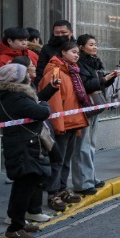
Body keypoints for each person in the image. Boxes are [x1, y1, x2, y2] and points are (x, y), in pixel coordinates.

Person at [0, 63, 59, 238]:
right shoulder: (16, 97)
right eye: (26, 72)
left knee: (24, 185)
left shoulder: (12, 95)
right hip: (24, 147)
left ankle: (19, 220)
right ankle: (15, 228)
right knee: (24, 186)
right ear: (19, 79)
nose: (31, 74)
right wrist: (44, 104)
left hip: (24, 144)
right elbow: (41, 111)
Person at [40, 40, 90, 211]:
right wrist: (58, 125)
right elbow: (53, 102)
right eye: (73, 52)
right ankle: (53, 193)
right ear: (63, 53)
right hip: (62, 124)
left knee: (66, 160)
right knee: (57, 161)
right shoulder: (55, 71)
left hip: (73, 122)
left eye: (78, 52)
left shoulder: (72, 71)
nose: (77, 55)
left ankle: (62, 189)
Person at [71, 34, 119, 195]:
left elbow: (98, 83)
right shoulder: (79, 65)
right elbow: (84, 86)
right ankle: (82, 182)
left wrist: (109, 78)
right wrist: (103, 78)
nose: (95, 47)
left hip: (94, 106)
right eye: (91, 44)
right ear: (81, 47)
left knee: (90, 144)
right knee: (82, 146)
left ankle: (90, 177)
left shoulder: (94, 62)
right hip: (84, 106)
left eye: (96, 44)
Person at [34, 20, 74, 86]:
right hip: (54, 84)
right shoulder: (47, 49)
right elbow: (40, 71)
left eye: (63, 32)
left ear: (71, 32)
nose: (60, 35)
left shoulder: (78, 47)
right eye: (57, 32)